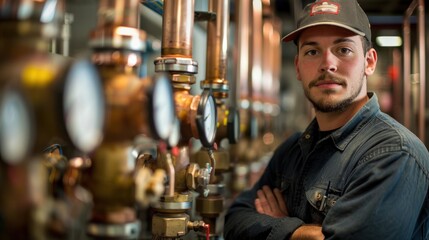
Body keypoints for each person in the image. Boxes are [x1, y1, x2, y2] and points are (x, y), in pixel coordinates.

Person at [224, 0, 429, 239]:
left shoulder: (394, 154)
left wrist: (280, 226)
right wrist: (299, 233)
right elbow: (234, 221)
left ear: (369, 62)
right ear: (298, 67)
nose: (327, 64)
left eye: (343, 50)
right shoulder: (291, 152)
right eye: (312, 51)